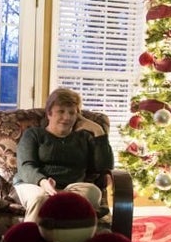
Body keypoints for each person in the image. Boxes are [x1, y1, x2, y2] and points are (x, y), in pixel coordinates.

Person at [13, 88, 114, 222]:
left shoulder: (84, 137)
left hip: (72, 187)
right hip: (35, 184)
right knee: (40, 198)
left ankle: (72, 236)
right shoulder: (33, 134)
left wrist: (98, 132)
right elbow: (25, 166)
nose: (67, 117)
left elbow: (103, 166)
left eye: (72, 113)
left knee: (93, 192)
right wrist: (43, 182)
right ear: (49, 113)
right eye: (61, 111)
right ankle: (29, 240)